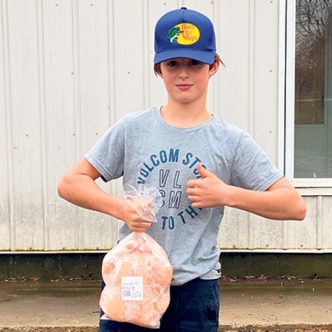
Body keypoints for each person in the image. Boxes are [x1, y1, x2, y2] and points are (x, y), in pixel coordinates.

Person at [57, 7, 306, 332]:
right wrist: (122, 208)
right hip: (134, 280)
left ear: (213, 66)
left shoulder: (230, 140)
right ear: (159, 68)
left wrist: (227, 194)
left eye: (195, 63)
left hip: (195, 291)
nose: (183, 73)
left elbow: (294, 205)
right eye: (173, 63)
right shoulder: (133, 129)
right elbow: (71, 182)